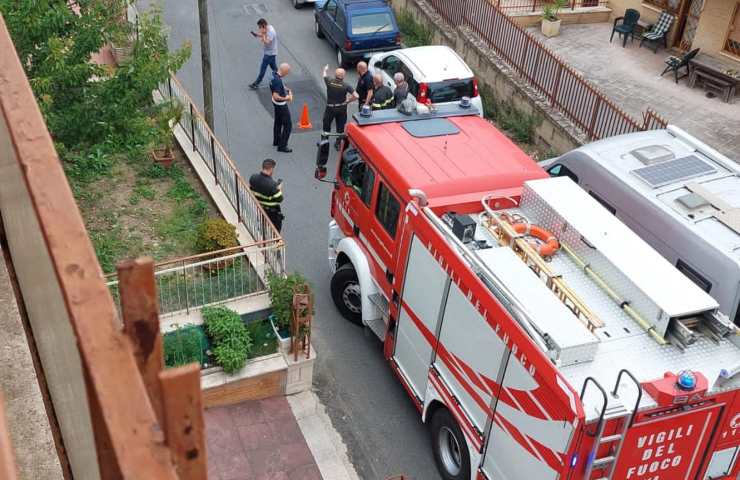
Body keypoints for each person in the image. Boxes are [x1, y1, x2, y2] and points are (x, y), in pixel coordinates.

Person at [322, 64, 359, 149]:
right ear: (343, 76)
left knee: (326, 124)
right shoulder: (346, 85)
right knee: (340, 126)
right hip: (341, 108)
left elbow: (324, 75)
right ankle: (338, 143)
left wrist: (325, 69)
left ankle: (324, 142)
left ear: (335, 75)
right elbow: (356, 96)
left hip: (330, 108)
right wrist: (348, 101)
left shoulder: (329, 81)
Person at [249, 159, 284, 232]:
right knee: (275, 230)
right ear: (271, 169)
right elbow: (280, 199)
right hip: (272, 212)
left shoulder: (253, 177)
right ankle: (276, 241)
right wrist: (279, 189)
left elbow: (251, 188)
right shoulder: (272, 185)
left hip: (260, 207)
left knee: (263, 222)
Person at [248, 19, 278, 89]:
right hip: (271, 52)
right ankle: (279, 77)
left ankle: (256, 83)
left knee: (263, 68)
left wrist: (263, 34)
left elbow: (267, 42)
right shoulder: (267, 28)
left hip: (270, 54)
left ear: (263, 25)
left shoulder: (271, 32)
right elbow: (263, 34)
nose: (259, 28)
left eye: (260, 27)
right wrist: (257, 34)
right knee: (274, 68)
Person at [270, 63, 293, 153]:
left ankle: (276, 141)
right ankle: (282, 146)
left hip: (275, 103)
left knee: (278, 122)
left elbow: (278, 86)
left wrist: (285, 88)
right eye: (287, 72)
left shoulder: (274, 74)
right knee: (288, 125)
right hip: (280, 105)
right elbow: (276, 96)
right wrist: (286, 98)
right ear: (284, 71)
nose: (287, 73)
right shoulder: (278, 81)